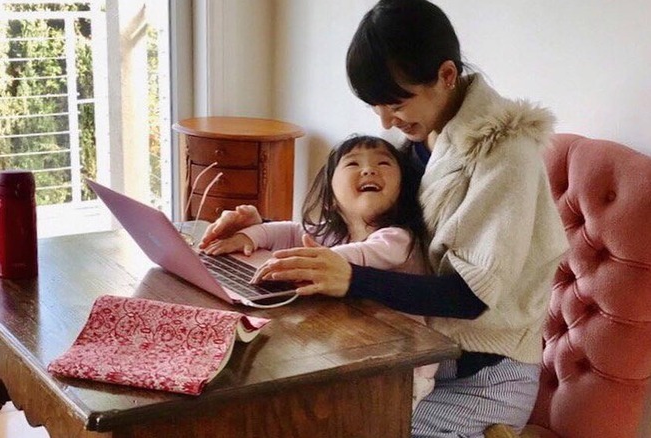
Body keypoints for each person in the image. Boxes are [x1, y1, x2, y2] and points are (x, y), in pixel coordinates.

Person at [199, 0, 569, 436]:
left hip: (485, 376)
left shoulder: (505, 155)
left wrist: (352, 279)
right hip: (414, 354)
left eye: (396, 102)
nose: (385, 119)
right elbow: (363, 230)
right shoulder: (419, 140)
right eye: (375, 104)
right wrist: (261, 229)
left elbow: (470, 298)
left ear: (446, 76)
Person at [201, 134, 437, 410]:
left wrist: (315, 260)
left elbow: (361, 256)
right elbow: (291, 230)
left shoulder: (398, 239)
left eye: (383, 163)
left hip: (406, 369)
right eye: (352, 164)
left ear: (402, 190)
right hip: (356, 348)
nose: (369, 169)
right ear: (331, 198)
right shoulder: (333, 233)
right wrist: (249, 237)